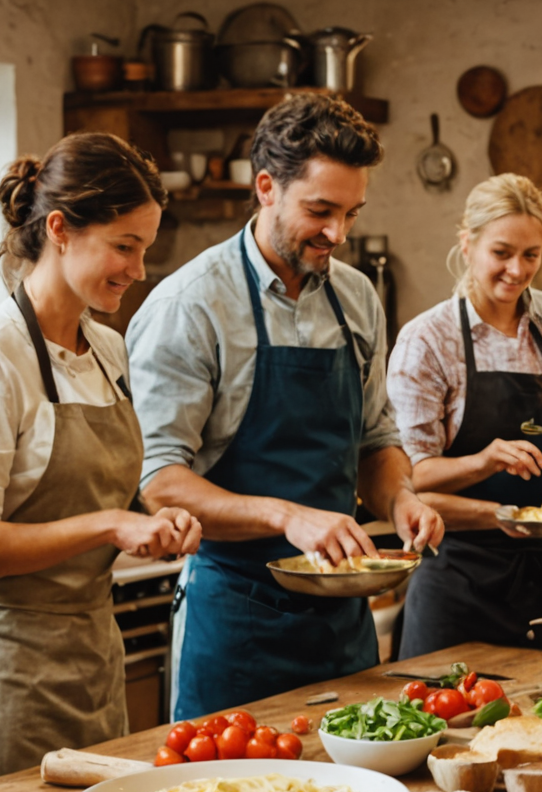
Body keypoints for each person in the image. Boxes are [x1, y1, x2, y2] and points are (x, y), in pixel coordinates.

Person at [128, 94, 444, 719]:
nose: (338, 234)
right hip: (234, 620)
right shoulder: (191, 305)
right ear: (265, 187)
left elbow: (375, 441)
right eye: (320, 211)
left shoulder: (357, 299)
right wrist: (287, 517)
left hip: (342, 624)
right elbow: (160, 483)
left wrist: (400, 497)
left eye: (352, 213)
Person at [0, 134, 200, 789]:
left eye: (145, 250)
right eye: (124, 246)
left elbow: (111, 492)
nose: (138, 270)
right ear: (60, 230)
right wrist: (110, 526)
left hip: (95, 654)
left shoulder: (107, 348)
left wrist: (157, 516)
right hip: (7, 666)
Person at [388, 174, 542, 658]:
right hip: (455, 581)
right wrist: (485, 463)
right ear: (467, 243)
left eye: (531, 255)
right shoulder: (428, 340)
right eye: (501, 253)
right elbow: (412, 478)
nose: (517, 270)